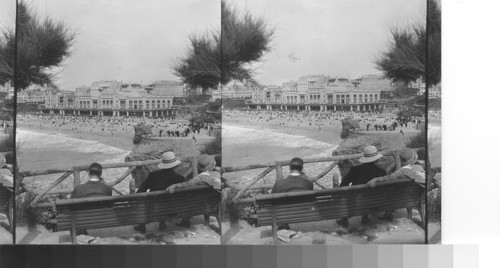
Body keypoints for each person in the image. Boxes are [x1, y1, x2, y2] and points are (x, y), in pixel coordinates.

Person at [134, 151, 186, 233]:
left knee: (147, 199)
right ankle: (162, 222)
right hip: (174, 210)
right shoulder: (180, 179)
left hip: (155, 209)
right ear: (175, 166)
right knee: (168, 199)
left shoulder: (153, 176)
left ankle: (142, 224)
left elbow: (141, 190)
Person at [367, 148, 425, 221]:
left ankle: (386, 213)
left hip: (401, 199)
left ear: (401, 160)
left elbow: (388, 177)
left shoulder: (402, 171)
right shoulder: (419, 167)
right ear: (413, 159)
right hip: (415, 198)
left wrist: (376, 179)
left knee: (391, 191)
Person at [336, 145, 387, 227]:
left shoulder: (355, 170)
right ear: (376, 159)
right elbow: (384, 189)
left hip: (356, 203)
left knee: (353, 194)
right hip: (376, 203)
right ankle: (365, 217)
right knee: (370, 194)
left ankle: (344, 219)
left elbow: (343, 185)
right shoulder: (382, 172)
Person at [166, 154, 222, 227]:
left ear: (199, 167)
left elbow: (187, 184)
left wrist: (175, 185)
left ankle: (185, 220)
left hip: (197, 205)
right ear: (212, 165)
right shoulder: (217, 174)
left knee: (188, 199)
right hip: (212, 204)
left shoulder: (199, 178)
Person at [270, 157, 313, 230]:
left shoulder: (279, 184)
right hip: (305, 213)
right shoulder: (309, 183)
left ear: (289, 168)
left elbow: (271, 199)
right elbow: (311, 199)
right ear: (302, 169)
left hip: (285, 214)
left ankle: (284, 226)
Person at [70, 163, 112, 235]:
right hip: (104, 219)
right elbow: (110, 205)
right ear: (101, 174)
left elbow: (69, 205)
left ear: (89, 173)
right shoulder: (108, 189)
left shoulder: (79, 189)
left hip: (84, 220)